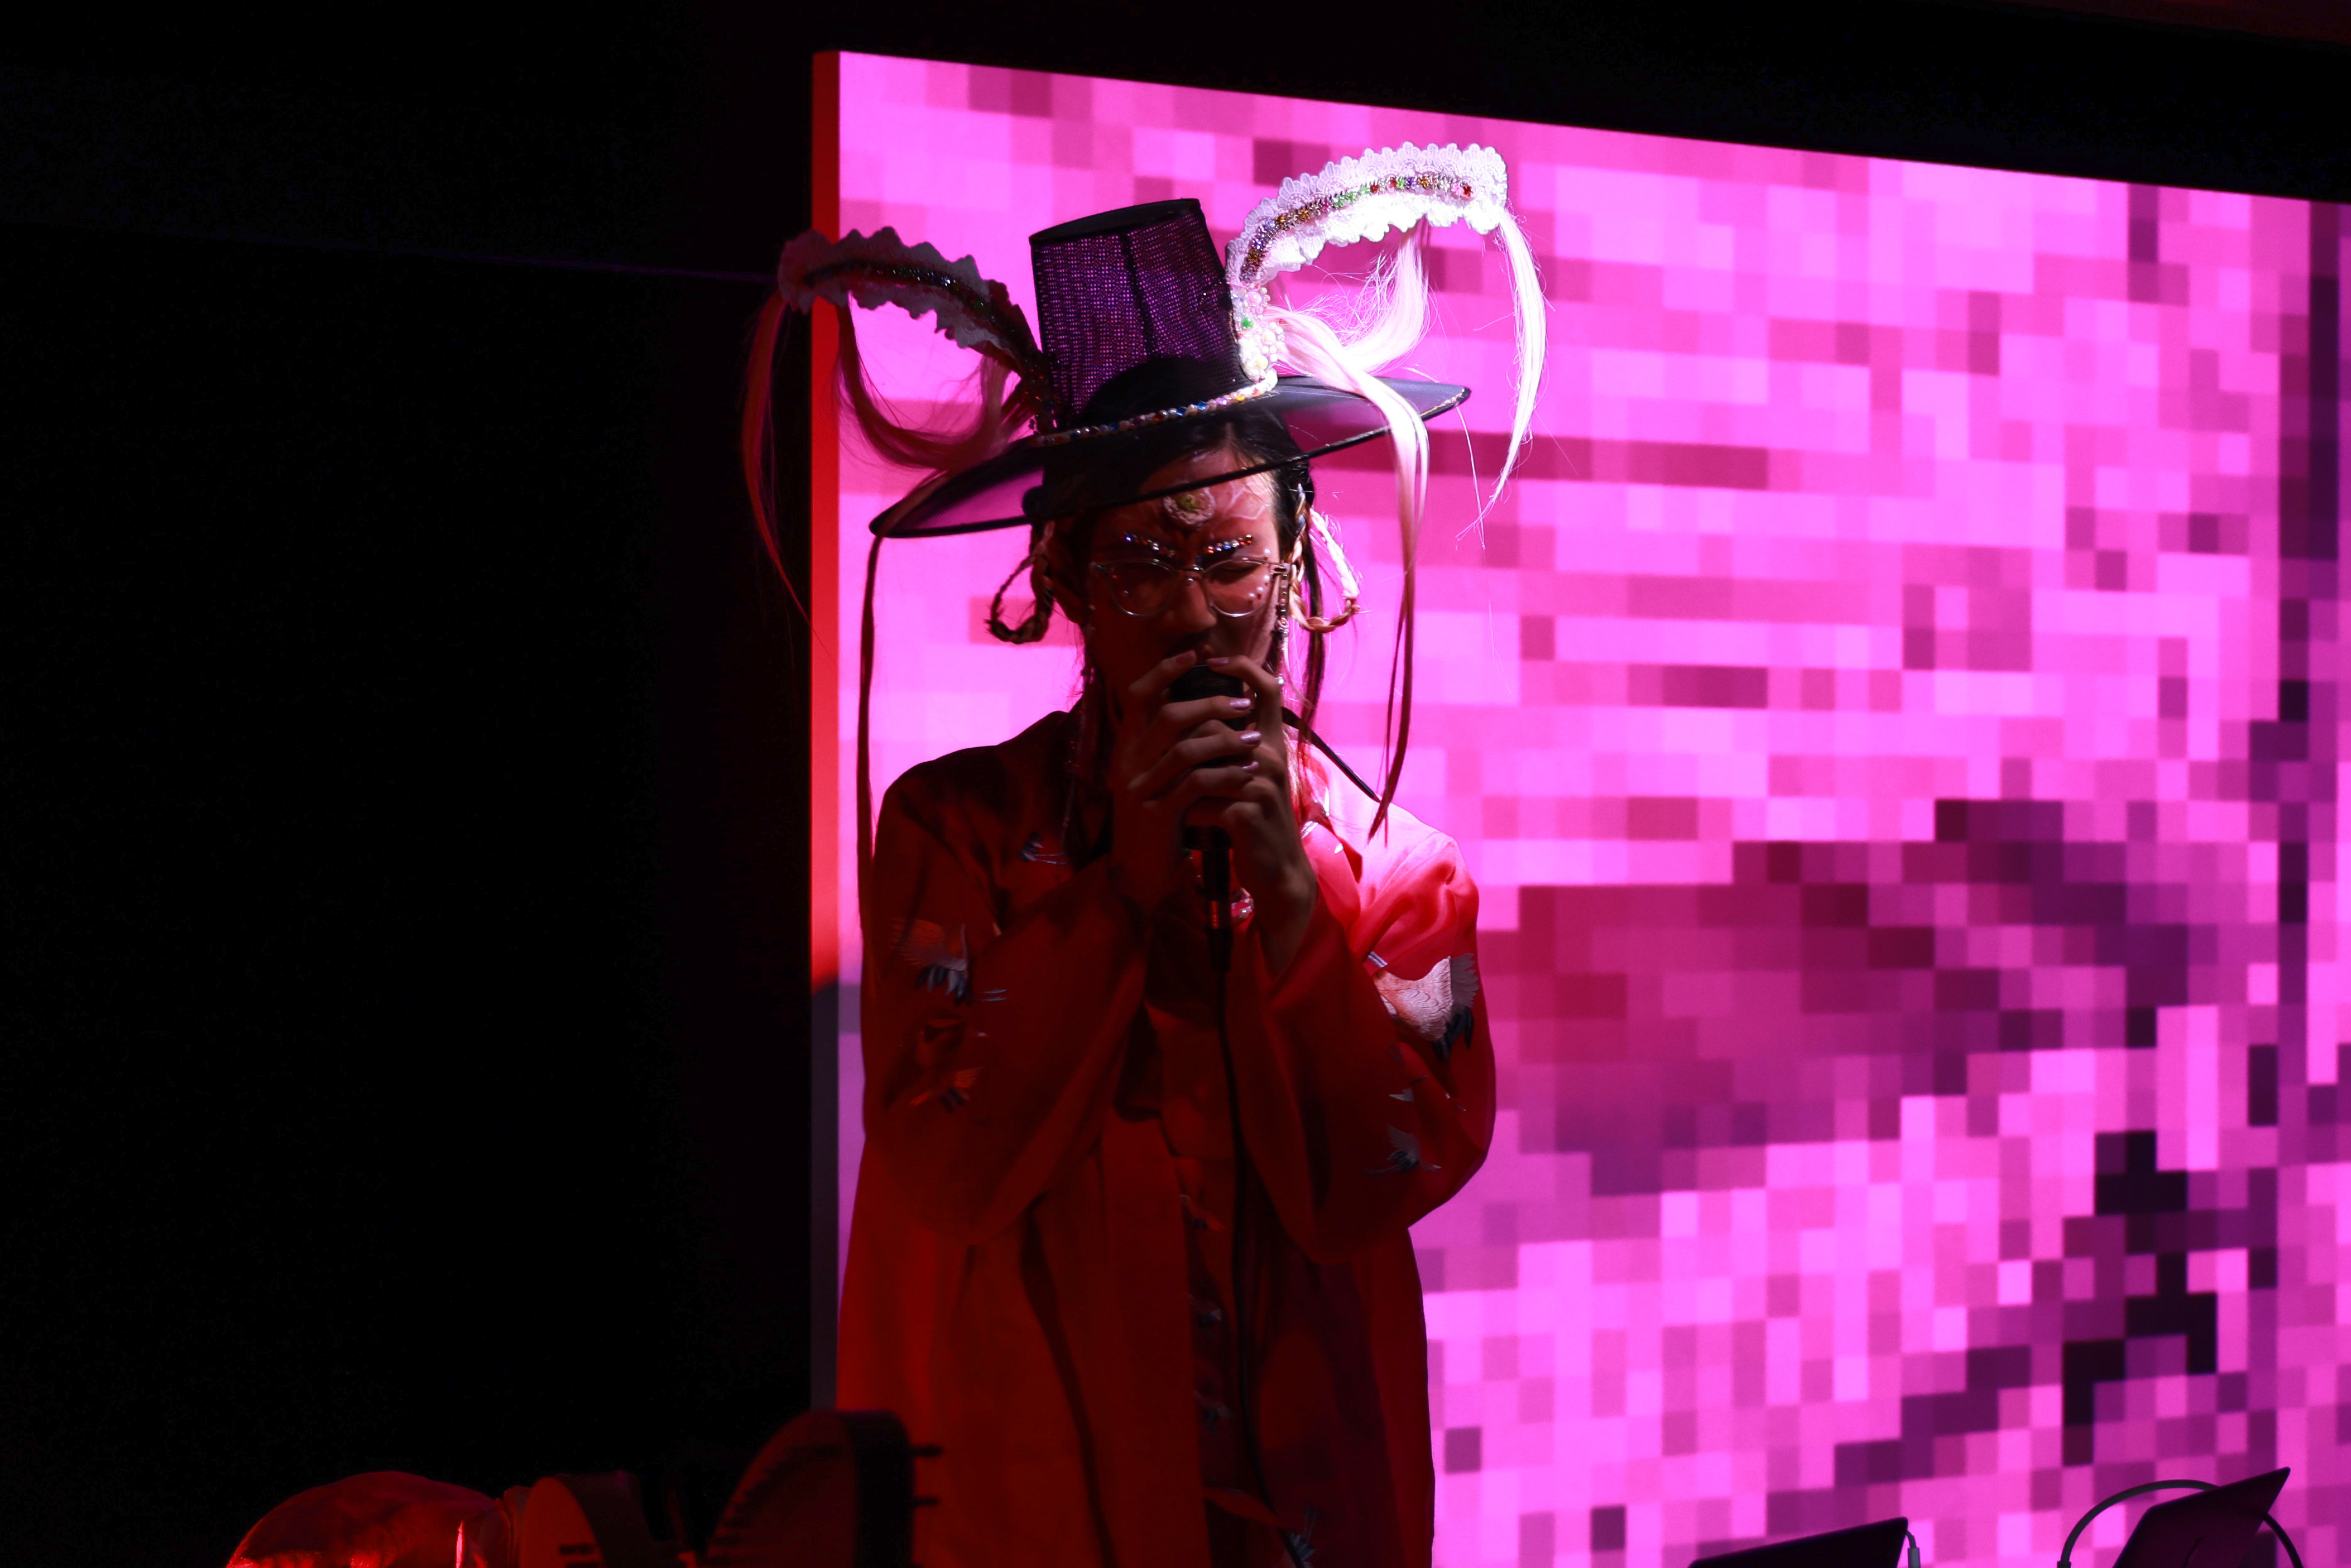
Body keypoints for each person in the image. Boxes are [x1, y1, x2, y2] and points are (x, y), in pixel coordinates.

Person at [753, 150, 1547, 1568]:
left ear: (1296, 562)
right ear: (1062, 579)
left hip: (1310, 1507)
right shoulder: (957, 834)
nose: (1189, 614)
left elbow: (1393, 1173)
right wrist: (1115, 887)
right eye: (1135, 565)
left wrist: (1291, 896)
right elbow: (946, 1167)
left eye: (1227, 559)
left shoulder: (1399, 872)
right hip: (1037, 1506)